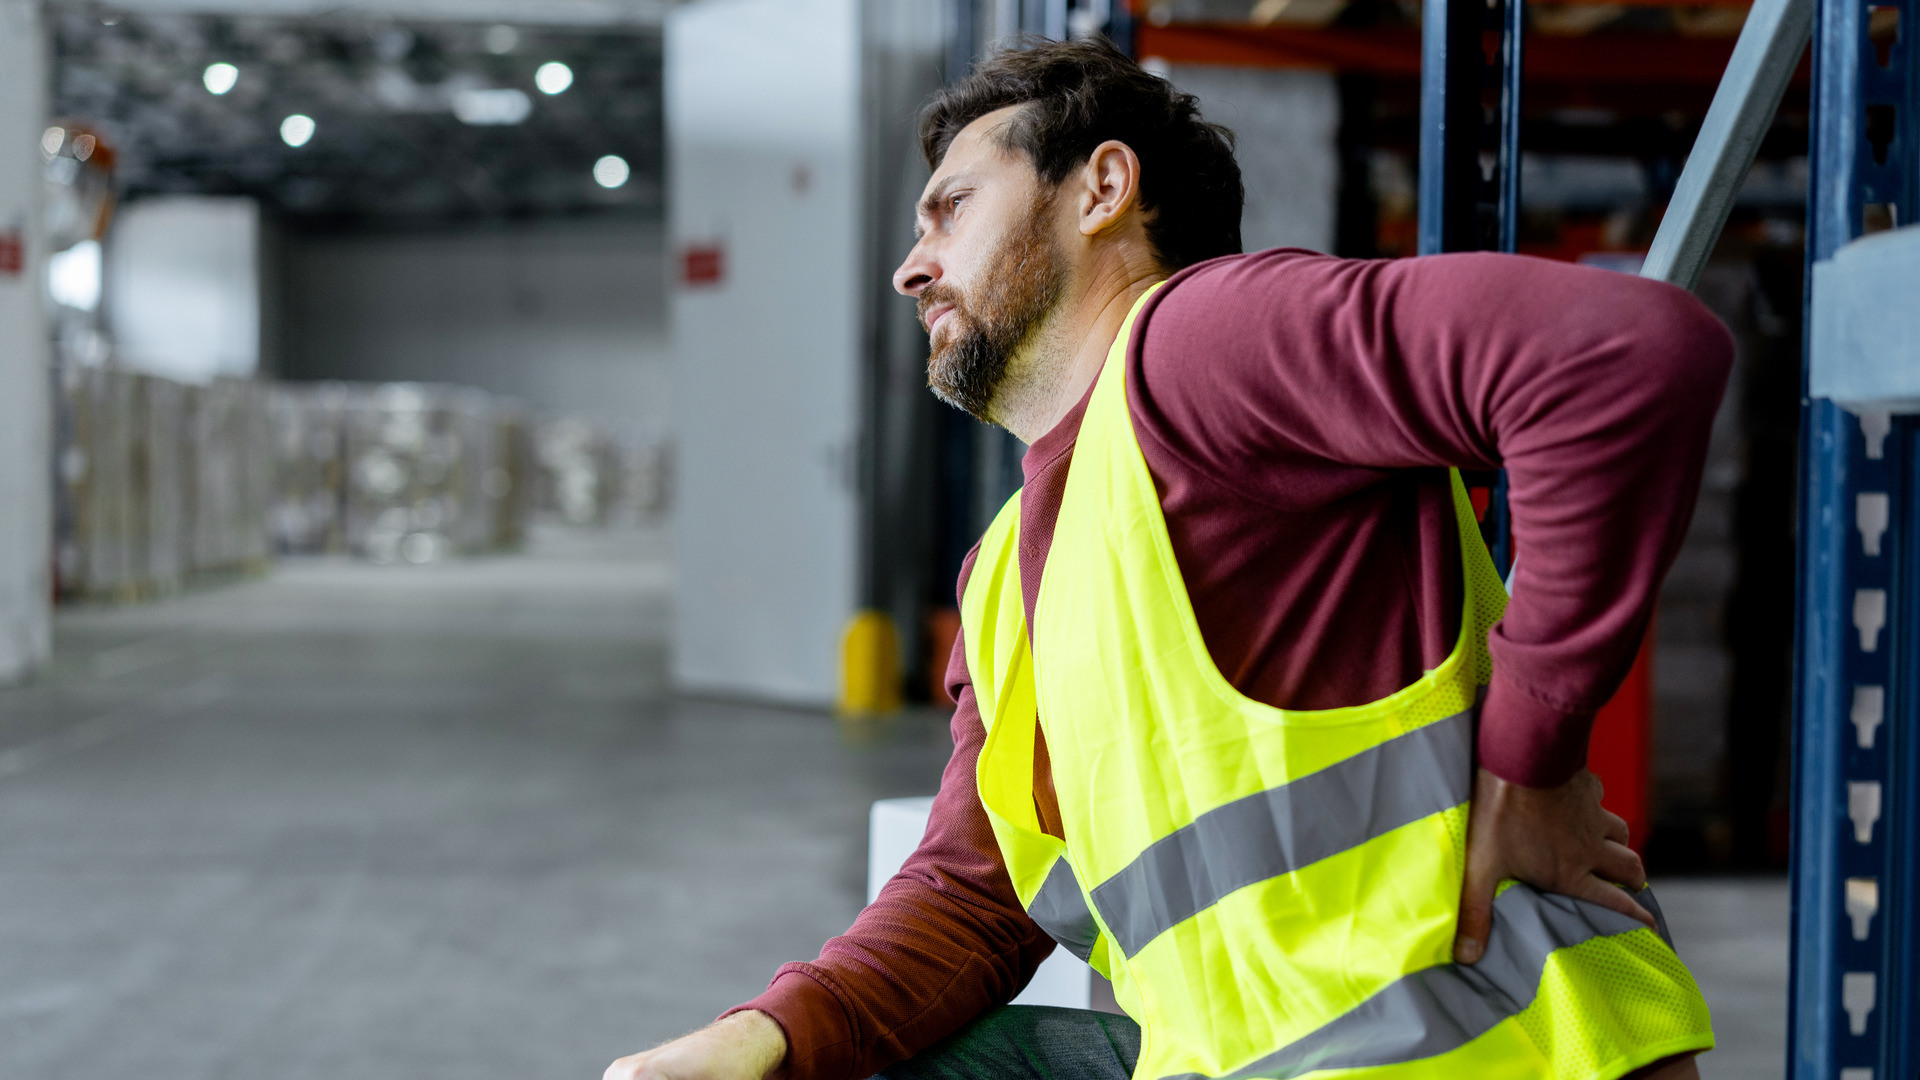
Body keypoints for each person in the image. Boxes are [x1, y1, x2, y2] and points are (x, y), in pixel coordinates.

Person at [608, 37, 1730, 1080]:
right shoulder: (1004, 575)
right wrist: (753, 1039)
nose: (912, 268)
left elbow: (1625, 357)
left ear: (1102, 189)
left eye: (950, 209)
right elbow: (972, 900)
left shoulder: (1200, 345)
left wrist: (1528, 763)